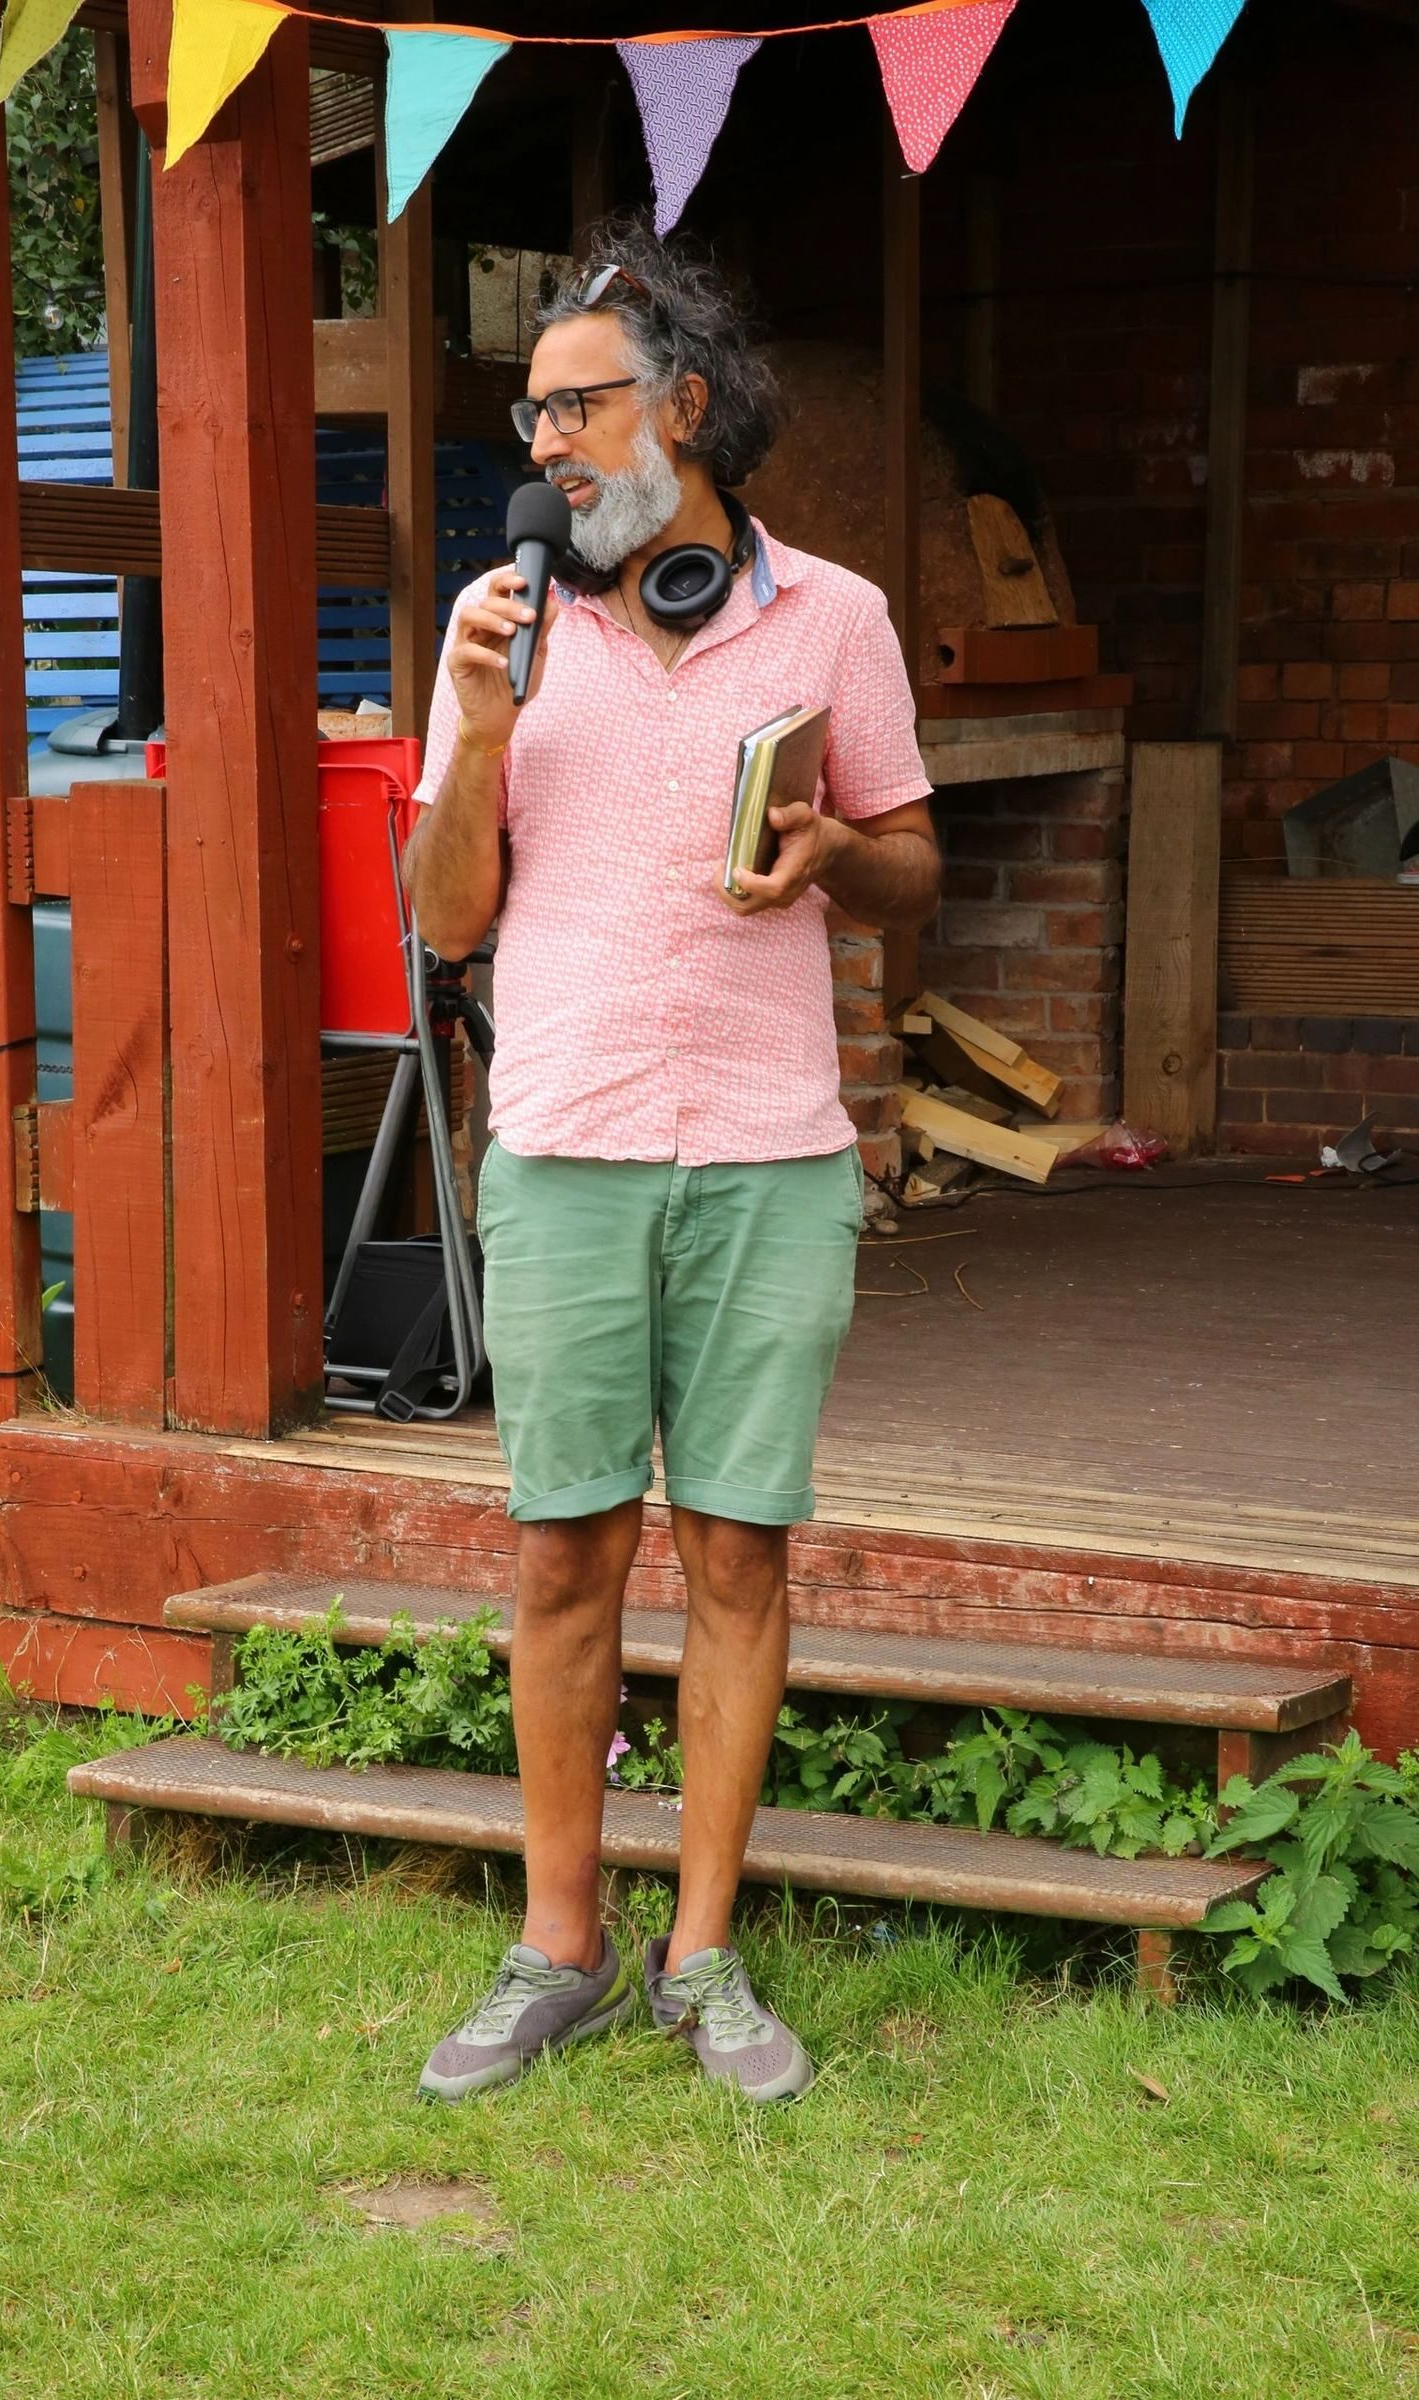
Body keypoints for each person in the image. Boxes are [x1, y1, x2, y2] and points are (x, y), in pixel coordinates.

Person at [403, 222, 940, 2105]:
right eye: (529, 410)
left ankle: (702, 1957)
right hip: (563, 1147)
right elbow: (445, 916)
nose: (543, 440)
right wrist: (472, 731)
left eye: (579, 401)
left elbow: (911, 863)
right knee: (563, 1558)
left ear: (686, 407)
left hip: (773, 1155)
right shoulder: (502, 625)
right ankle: (556, 1945)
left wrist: (829, 860)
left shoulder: (840, 619)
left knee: (736, 1552)